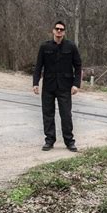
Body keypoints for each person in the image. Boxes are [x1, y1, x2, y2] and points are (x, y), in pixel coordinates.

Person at [33, 21, 82, 152]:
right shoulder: (45, 47)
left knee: (66, 115)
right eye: (57, 29)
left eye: (62, 29)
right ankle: (49, 140)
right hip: (48, 86)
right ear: (53, 31)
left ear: (64, 32)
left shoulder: (71, 47)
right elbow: (38, 66)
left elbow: (78, 66)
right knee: (47, 114)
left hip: (65, 86)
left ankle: (69, 141)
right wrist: (35, 83)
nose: (59, 31)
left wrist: (76, 85)